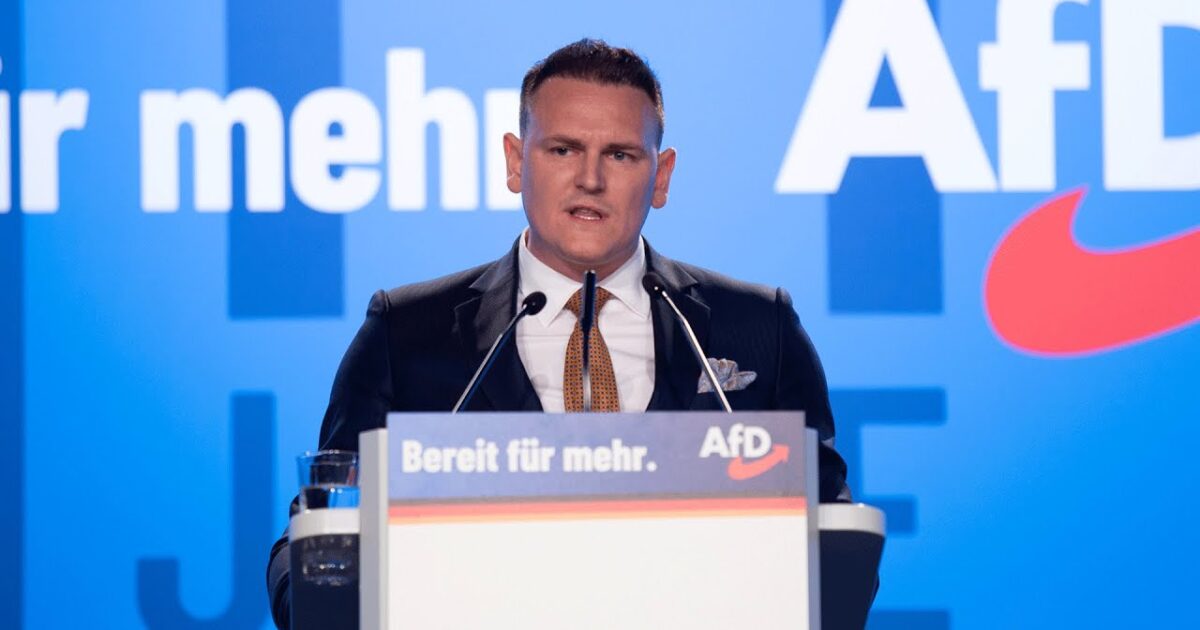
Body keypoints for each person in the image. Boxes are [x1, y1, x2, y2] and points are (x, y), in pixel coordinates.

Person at [267, 38, 850, 628]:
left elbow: (830, 533)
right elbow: (316, 537)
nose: (590, 179)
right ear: (517, 162)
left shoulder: (757, 326)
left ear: (662, 176)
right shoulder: (406, 333)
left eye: (620, 154)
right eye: (563, 149)